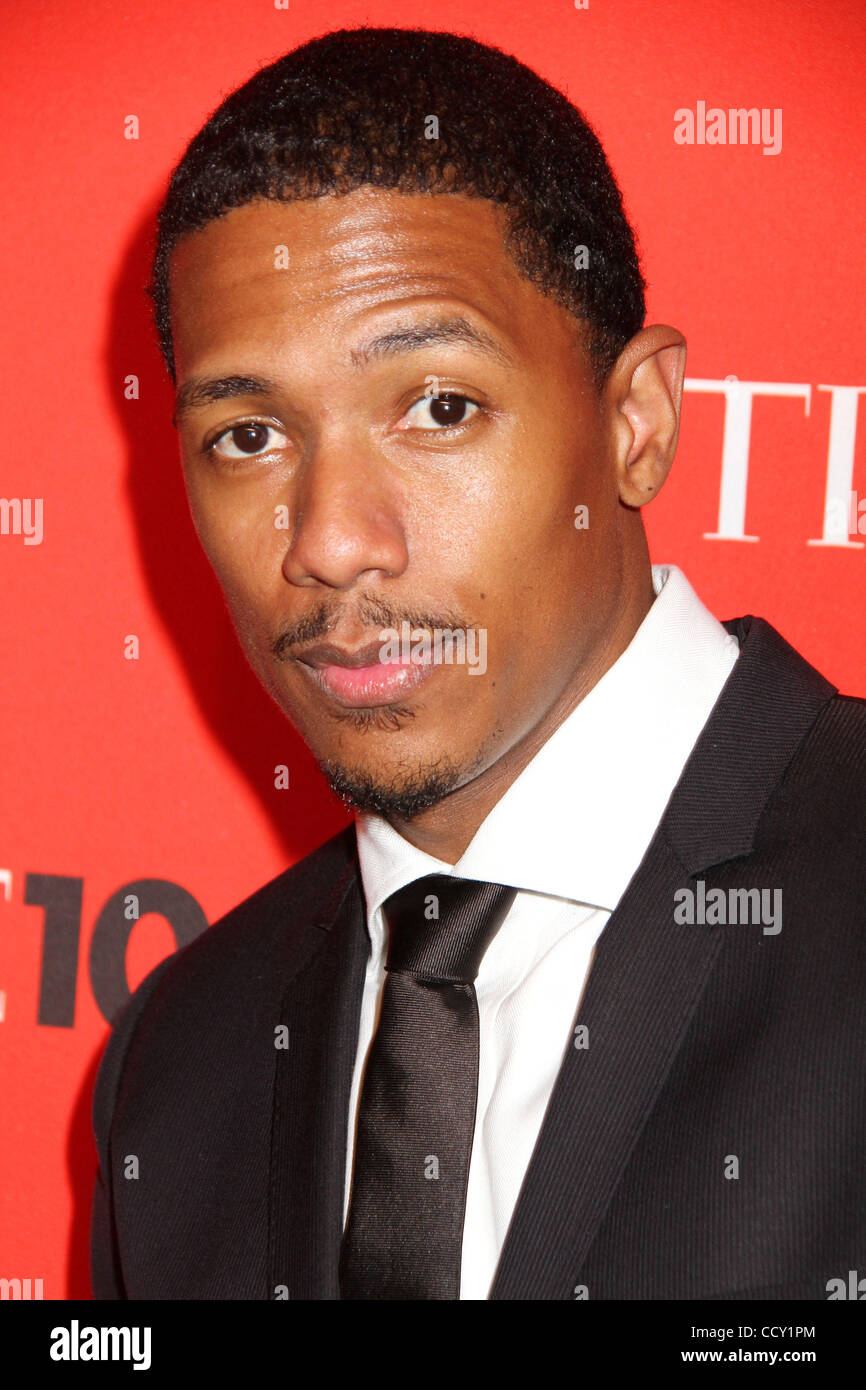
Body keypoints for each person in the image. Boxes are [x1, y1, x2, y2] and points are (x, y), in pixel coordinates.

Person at [90, 25, 866, 1301]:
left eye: (438, 407)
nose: (332, 541)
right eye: (246, 436)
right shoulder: (184, 1057)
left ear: (636, 423)